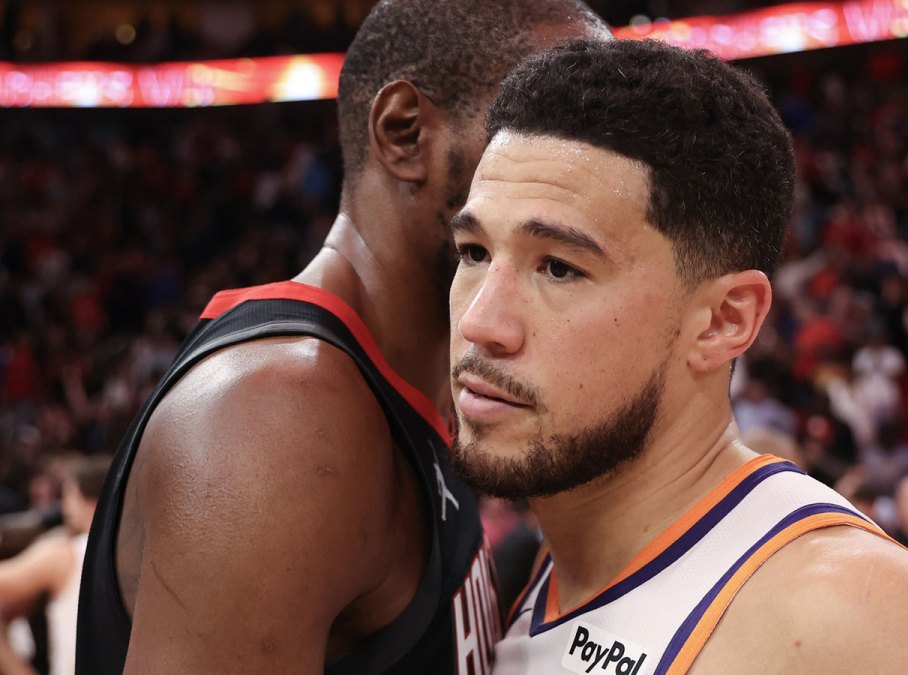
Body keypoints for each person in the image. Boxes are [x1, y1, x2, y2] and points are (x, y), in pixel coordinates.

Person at [446, 38, 908, 674]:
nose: (481, 322)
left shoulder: (883, 633)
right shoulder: (531, 571)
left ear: (725, 320)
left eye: (559, 268)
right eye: (474, 253)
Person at [76, 3, 609, 673]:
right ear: (405, 133)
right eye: (554, 127)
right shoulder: (284, 417)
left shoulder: (413, 393)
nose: (595, 174)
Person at [0, 455, 109, 675]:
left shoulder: (67, 552)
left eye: (69, 496)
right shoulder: (142, 553)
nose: (65, 508)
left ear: (89, 502)